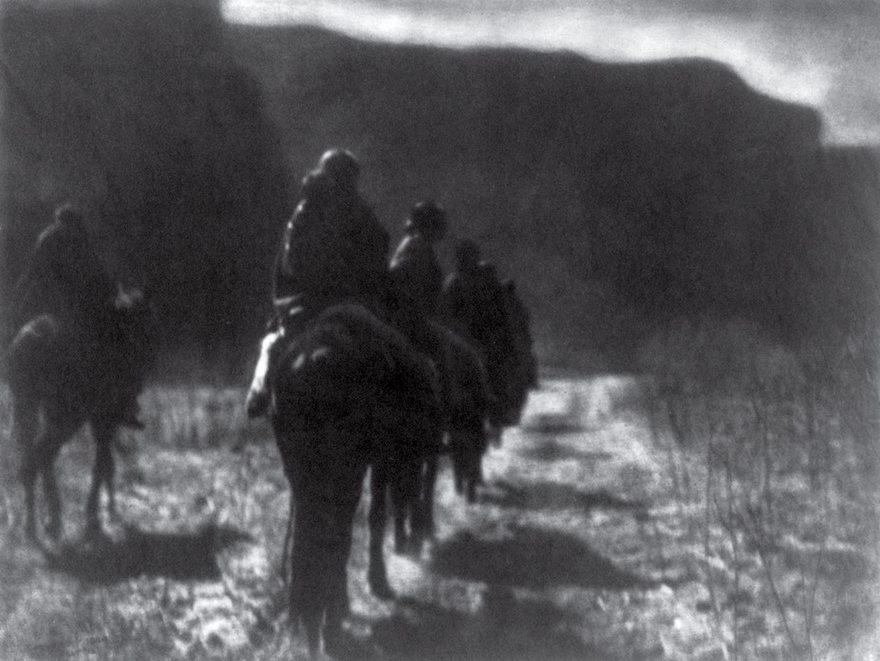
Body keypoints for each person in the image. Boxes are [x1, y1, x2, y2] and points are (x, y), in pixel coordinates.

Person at [246, 148, 392, 418]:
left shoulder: (307, 214)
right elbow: (378, 257)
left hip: (310, 304)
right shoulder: (357, 213)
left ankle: (260, 393)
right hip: (347, 301)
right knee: (389, 346)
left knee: (275, 345)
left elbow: (290, 264)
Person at [9, 203, 143, 429]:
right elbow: (97, 273)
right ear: (77, 222)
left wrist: (16, 309)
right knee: (118, 342)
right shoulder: (78, 239)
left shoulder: (44, 239)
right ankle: (124, 404)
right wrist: (115, 292)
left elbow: (29, 275)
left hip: (41, 307)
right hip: (73, 309)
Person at [389, 201, 448, 317]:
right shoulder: (417, 245)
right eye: (437, 223)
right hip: (405, 313)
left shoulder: (416, 244)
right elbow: (398, 275)